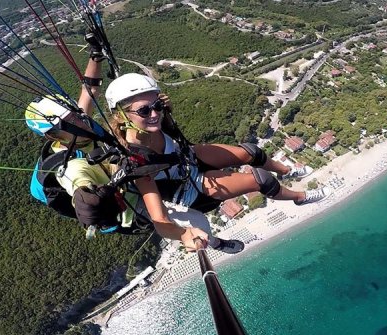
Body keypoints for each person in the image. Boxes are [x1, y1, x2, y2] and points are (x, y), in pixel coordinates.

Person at [26, 59, 243, 253]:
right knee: (196, 221)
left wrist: (95, 56)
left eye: (76, 113)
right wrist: (85, 198)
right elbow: (77, 179)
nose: (80, 120)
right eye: (71, 121)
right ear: (52, 135)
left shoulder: (79, 128)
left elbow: (89, 89)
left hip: (133, 176)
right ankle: (213, 244)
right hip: (128, 205)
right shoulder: (68, 163)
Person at [101, 73, 330, 221]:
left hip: (188, 157)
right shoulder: (135, 161)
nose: (154, 113)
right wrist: (187, 235)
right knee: (261, 180)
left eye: (158, 105)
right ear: (121, 116)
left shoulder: (156, 121)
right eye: (144, 110)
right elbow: (158, 216)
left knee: (250, 151)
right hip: (191, 188)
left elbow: (160, 122)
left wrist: (164, 110)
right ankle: (300, 196)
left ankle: (287, 171)